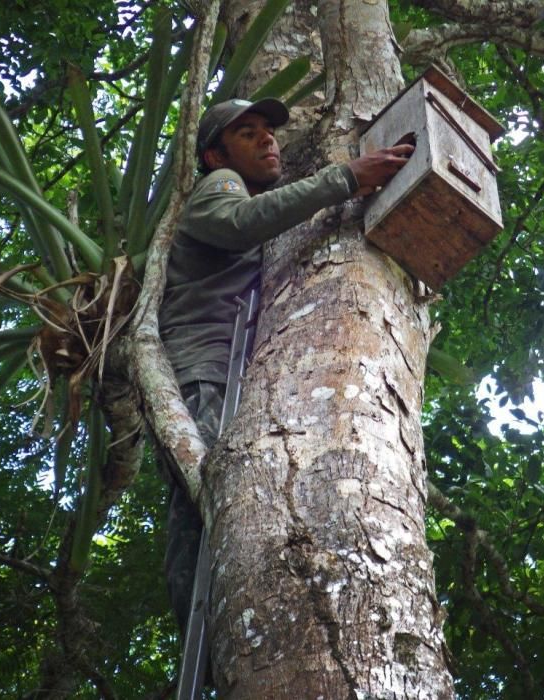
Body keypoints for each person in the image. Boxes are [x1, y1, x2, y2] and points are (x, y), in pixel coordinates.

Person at [158, 97, 414, 634]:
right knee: (200, 507)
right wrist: (344, 177)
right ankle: (200, 644)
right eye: (247, 133)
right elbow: (239, 223)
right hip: (205, 369)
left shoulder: (252, 194)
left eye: (268, 131)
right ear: (214, 156)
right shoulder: (219, 186)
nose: (268, 140)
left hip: (230, 372)